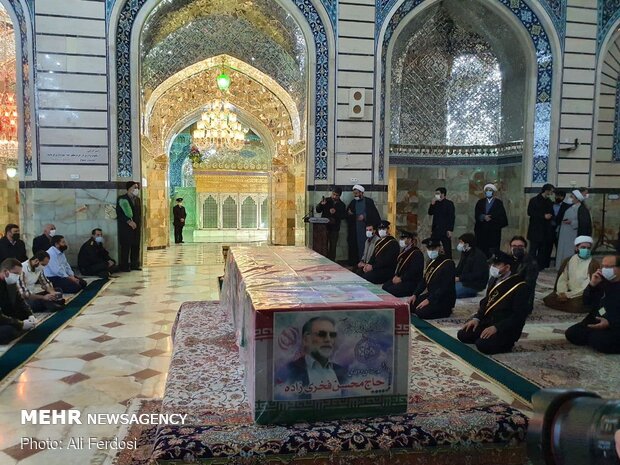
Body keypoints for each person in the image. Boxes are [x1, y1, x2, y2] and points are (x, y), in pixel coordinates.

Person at [457, 251, 529, 354]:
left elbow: (518, 316)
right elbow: (486, 301)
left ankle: (505, 343)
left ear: (507, 268)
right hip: (488, 321)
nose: (493, 267)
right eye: (493, 264)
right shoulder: (494, 279)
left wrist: (497, 327)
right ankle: (485, 335)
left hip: (505, 328)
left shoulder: (520, 286)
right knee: (463, 334)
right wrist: (477, 318)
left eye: (497, 265)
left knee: (482, 345)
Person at [275, 316, 347, 400]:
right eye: (322, 334)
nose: (328, 339)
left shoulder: (343, 372)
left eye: (332, 335)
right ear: (306, 339)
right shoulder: (289, 371)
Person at [564, 255, 620, 354]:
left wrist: (610, 323)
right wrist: (592, 285)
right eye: (603, 266)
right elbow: (586, 302)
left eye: (609, 267)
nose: (605, 270)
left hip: (615, 325)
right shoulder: (601, 281)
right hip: (597, 319)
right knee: (572, 333)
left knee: (600, 341)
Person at [543, 236, 600, 313]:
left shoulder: (593, 263)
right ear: (577, 248)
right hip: (567, 290)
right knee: (548, 299)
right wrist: (562, 292)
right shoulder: (569, 260)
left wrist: (569, 295)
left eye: (588, 248)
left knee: (576, 306)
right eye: (583, 247)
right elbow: (563, 278)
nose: (586, 250)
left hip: (581, 294)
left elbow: (588, 285)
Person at [409, 237, 456, 319]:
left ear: (440, 248)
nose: (431, 251)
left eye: (433, 248)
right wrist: (415, 294)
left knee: (420, 312)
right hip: (432, 294)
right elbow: (424, 280)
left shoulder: (448, 263)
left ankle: (446, 311)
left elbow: (443, 287)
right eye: (429, 248)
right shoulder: (431, 262)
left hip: (443, 298)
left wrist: (429, 300)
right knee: (410, 306)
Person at [0, 258, 36, 344]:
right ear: (5, 271)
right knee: (8, 331)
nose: (17, 277)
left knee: (25, 317)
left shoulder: (10, 283)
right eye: (15, 274)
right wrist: (21, 324)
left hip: (5, 314)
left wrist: (30, 314)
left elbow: (20, 300)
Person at [382, 230, 424, 297]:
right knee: (384, 287)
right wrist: (396, 276)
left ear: (410, 240)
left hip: (410, 282)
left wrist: (401, 279)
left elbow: (413, 271)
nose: (401, 240)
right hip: (401, 279)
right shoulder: (404, 251)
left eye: (403, 238)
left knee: (390, 291)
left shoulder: (416, 253)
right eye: (400, 238)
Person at [346, 184, 381, 265]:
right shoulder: (353, 202)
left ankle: (366, 262)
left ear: (361, 193)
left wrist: (364, 216)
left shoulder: (368, 201)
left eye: (357, 193)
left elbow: (374, 214)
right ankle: (357, 263)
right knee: (355, 246)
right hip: (356, 229)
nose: (355, 195)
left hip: (366, 229)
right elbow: (348, 213)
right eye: (354, 193)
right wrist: (351, 214)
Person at [474, 183, 508, 257]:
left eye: (490, 190)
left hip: (493, 233)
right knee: (481, 251)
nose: (488, 192)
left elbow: (502, 218)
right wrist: (483, 217)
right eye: (487, 190)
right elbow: (477, 214)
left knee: (493, 251)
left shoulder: (498, 203)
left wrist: (492, 219)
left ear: (493, 192)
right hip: (481, 232)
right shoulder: (480, 202)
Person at [361, 220, 400, 284]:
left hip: (386, 270)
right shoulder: (379, 242)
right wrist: (368, 264)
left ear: (388, 230)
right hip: (377, 268)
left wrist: (373, 267)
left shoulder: (393, 243)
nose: (381, 230)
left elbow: (387, 260)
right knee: (360, 273)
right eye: (379, 229)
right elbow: (373, 256)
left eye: (383, 228)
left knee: (367, 277)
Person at [527, 183, 555, 270]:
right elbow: (530, 212)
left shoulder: (549, 201)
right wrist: (543, 216)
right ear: (546, 190)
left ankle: (540, 266)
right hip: (535, 230)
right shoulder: (534, 200)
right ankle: (530, 265)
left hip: (545, 230)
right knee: (533, 249)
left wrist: (550, 216)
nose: (551, 193)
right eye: (551, 191)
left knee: (543, 250)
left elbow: (552, 213)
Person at [116, 181, 142, 272]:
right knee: (126, 247)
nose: (136, 189)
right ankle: (125, 266)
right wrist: (128, 221)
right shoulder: (122, 199)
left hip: (136, 227)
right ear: (129, 188)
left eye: (137, 188)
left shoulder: (137, 199)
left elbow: (138, 214)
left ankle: (134, 264)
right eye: (134, 187)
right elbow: (119, 213)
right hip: (126, 228)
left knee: (135, 246)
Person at [509, 235, 538, 314]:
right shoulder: (507, 259)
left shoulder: (531, 263)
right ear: (510, 247)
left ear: (525, 248)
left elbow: (527, 285)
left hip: (522, 299)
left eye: (520, 246)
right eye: (514, 246)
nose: (517, 248)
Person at [315, 188, 346, 261]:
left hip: (334, 229)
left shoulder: (342, 205)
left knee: (333, 246)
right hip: (324, 228)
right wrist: (321, 204)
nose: (334, 197)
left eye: (336, 195)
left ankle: (332, 262)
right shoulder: (326, 200)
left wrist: (335, 212)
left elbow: (343, 216)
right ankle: (322, 261)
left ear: (339, 196)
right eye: (333, 194)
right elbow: (318, 210)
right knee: (323, 245)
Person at [454, 233, 489, 298]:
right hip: (464, 281)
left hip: (474, 284)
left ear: (467, 244)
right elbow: (459, 268)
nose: (459, 244)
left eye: (461, 242)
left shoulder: (478, 256)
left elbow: (477, 274)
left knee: (452, 293)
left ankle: (472, 292)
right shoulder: (465, 252)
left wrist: (459, 278)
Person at [556, 190, 585, 268]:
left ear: (577, 199)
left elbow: (582, 222)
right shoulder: (572, 207)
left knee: (569, 251)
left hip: (572, 233)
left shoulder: (581, 209)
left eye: (572, 197)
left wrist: (571, 222)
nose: (571, 198)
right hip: (565, 232)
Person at [428, 187, 455, 258]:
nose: (436, 195)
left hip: (445, 230)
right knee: (433, 247)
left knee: (447, 249)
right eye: (436, 193)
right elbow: (430, 213)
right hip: (435, 230)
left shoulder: (449, 204)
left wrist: (450, 229)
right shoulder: (435, 203)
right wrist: (432, 204)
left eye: (438, 193)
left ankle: (449, 263)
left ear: (443, 194)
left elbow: (451, 217)